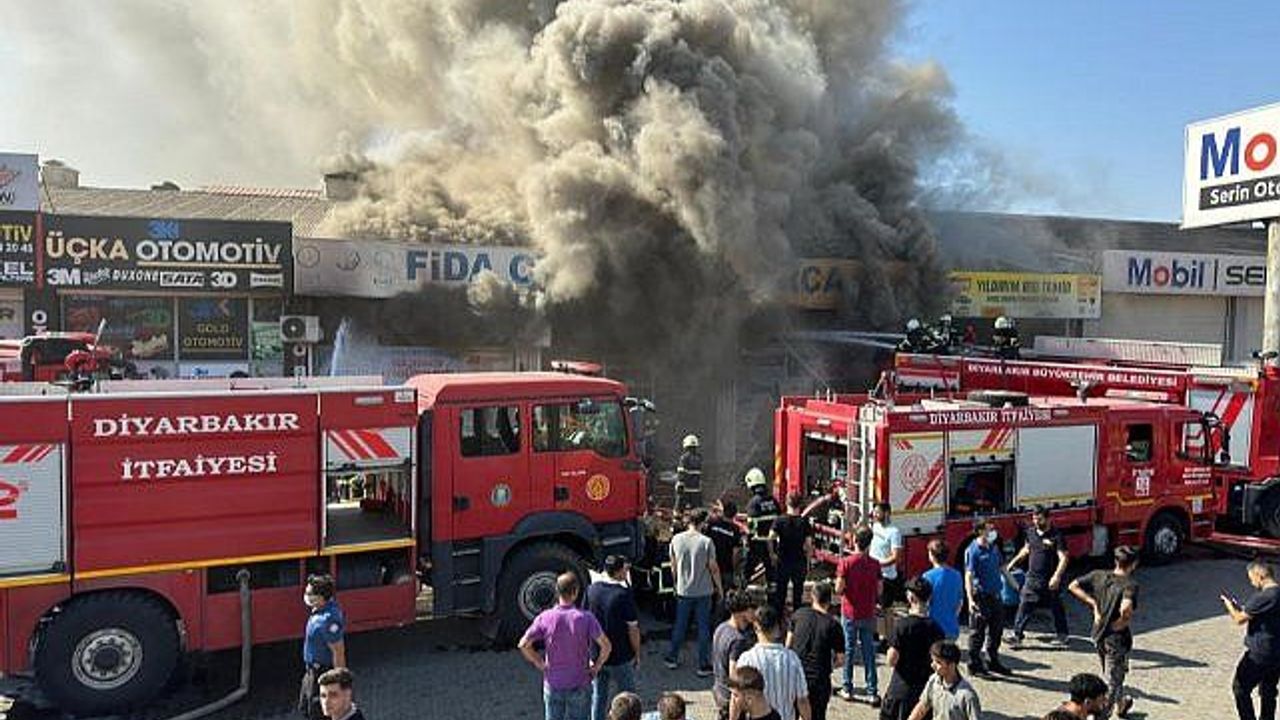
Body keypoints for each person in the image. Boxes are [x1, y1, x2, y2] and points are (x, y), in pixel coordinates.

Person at [519, 572, 613, 720]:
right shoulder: (586, 618)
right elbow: (606, 646)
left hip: (553, 682)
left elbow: (523, 644)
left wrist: (539, 662)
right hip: (580, 681)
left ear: (557, 591)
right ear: (575, 592)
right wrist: (597, 666)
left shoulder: (545, 617)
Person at [1069, 545, 1140, 719]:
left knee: (1113, 673)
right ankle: (1102, 715)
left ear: (1115, 561)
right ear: (1134, 564)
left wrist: (1093, 604)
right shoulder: (1130, 584)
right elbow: (1126, 609)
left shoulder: (1098, 575)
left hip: (1098, 633)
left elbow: (1073, 586)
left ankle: (1122, 703)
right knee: (1112, 681)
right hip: (1116, 639)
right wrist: (1121, 622)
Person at [666, 509, 724, 675]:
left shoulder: (676, 539)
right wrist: (719, 589)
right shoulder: (706, 542)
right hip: (704, 591)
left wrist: (677, 583)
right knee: (703, 627)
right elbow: (713, 568)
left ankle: (672, 657)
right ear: (702, 523)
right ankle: (703, 664)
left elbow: (673, 565)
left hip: (684, 590)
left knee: (680, 624)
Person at [1222, 560, 1280, 720]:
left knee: (1240, 687)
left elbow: (1239, 619)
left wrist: (1229, 607)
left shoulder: (1264, 597)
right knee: (1269, 690)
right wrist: (1242, 609)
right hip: (1277, 652)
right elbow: (1261, 614)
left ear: (1260, 575)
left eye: (1251, 578)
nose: (1251, 582)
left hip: (1260, 653)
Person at [881, 578, 946, 720]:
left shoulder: (902, 626)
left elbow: (891, 660)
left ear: (910, 597)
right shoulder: (937, 629)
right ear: (929, 598)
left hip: (901, 689)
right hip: (925, 693)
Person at [588, 555, 643, 720]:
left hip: (597, 654)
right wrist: (637, 653)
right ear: (618, 572)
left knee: (599, 696)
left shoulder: (592, 590)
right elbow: (633, 629)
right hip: (620, 656)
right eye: (625, 570)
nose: (627, 573)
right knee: (629, 699)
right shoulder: (623, 595)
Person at [1007, 506, 1071, 648]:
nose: (1036, 522)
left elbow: (1063, 558)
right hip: (1032, 578)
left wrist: (1057, 576)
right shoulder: (1030, 532)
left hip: (1050, 580)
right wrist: (1012, 563)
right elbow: (1026, 549)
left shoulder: (1056, 535)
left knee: (1056, 607)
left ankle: (1063, 636)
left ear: (1048, 519)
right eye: (1034, 519)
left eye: (1039, 519)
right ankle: (1017, 635)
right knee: (1024, 604)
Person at [735, 605, 812, 720]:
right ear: (777, 628)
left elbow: (736, 699)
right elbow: (802, 700)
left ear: (756, 627)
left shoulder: (746, 659)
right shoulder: (792, 659)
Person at [834, 525, 881, 705]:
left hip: (850, 612)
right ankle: (872, 691)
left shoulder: (845, 563)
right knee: (869, 650)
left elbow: (839, 589)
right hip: (868, 612)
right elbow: (879, 589)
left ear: (854, 541)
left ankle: (847, 688)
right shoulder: (875, 564)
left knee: (849, 649)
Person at [786, 582, 845, 720]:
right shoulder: (834, 625)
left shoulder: (798, 615)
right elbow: (841, 659)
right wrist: (829, 665)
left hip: (795, 674)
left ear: (813, 596)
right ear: (829, 600)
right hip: (819, 680)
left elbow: (788, 646)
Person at [964, 519, 1011, 676]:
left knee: (996, 631)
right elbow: (969, 576)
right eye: (988, 527)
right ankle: (974, 665)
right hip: (981, 597)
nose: (991, 529)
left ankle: (992, 661)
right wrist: (970, 599)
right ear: (980, 531)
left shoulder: (993, 547)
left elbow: (1002, 568)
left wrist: (1015, 585)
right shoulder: (973, 550)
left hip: (996, 596)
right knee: (977, 633)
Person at [300, 574, 347, 720]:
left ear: (321, 597)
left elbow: (338, 652)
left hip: (323, 673)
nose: (306, 596)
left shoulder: (328, 619)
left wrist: (340, 682)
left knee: (320, 713)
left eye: (310, 594)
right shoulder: (320, 609)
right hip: (311, 671)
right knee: (305, 707)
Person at [906, 641, 982, 720]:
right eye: (933, 661)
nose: (932, 665)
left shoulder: (967, 696)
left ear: (952, 665)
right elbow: (922, 707)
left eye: (938, 662)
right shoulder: (934, 680)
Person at [714, 591, 760, 720]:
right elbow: (734, 676)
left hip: (719, 691)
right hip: (731, 700)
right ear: (742, 612)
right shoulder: (738, 640)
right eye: (752, 609)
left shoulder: (721, 628)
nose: (755, 613)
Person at [771, 492, 813, 612]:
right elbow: (809, 544)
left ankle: (778, 619)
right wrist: (808, 561)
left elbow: (771, 537)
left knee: (781, 592)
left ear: (786, 503)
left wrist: (772, 553)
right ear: (800, 505)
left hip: (783, 560)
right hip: (799, 560)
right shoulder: (804, 522)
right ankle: (796, 617)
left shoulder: (779, 521)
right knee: (798, 593)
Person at [870, 503, 905, 648]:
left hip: (887, 577)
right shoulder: (875, 526)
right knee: (873, 606)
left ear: (887, 513)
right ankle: (875, 634)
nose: (875, 515)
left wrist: (880, 564)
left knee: (887, 610)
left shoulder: (894, 532)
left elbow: (896, 557)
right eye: (874, 512)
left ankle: (889, 641)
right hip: (872, 573)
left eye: (878, 512)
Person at [744, 468, 781, 594]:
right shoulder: (773, 501)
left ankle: (740, 594)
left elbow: (751, 527)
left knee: (748, 570)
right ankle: (773, 599)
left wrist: (748, 542)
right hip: (772, 543)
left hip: (757, 543)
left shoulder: (753, 503)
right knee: (771, 572)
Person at [922, 540, 963, 640]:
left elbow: (925, 604)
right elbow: (959, 603)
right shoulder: (957, 575)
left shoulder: (927, 576)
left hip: (933, 628)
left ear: (932, 556)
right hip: (951, 627)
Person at [706, 497, 745, 593]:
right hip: (726, 569)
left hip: (710, 567)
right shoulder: (735, 529)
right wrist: (734, 569)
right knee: (723, 595)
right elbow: (736, 552)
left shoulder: (712, 523)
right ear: (735, 514)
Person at [675, 434, 704, 512]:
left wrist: (679, 486)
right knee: (697, 513)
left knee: (678, 512)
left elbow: (681, 474)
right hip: (696, 491)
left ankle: (676, 523)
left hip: (685, 490)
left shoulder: (684, 458)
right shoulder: (699, 458)